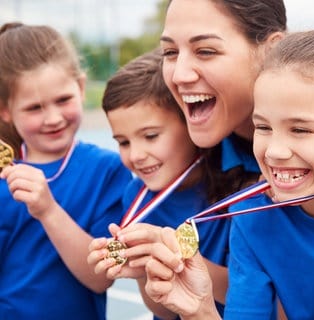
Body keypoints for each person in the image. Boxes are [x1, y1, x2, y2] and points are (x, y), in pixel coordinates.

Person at [116, 0, 286, 319]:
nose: (179, 74)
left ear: (270, 51)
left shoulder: (300, 171)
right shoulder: (188, 160)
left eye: (205, 50)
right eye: (169, 52)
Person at [144, 29, 314, 319]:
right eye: (263, 127)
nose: (274, 151)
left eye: (300, 130)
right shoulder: (252, 216)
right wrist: (200, 309)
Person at [0, 22, 132, 320]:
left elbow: (102, 277)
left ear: (81, 87)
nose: (53, 118)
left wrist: (47, 210)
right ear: (5, 110)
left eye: (63, 100)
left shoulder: (108, 170)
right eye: (34, 108)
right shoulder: (4, 176)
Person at [87, 48, 229, 319]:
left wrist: (171, 257)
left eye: (150, 136)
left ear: (192, 123)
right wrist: (144, 270)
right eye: (123, 142)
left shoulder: (238, 188)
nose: (136, 155)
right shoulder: (136, 195)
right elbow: (163, 311)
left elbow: (252, 292)